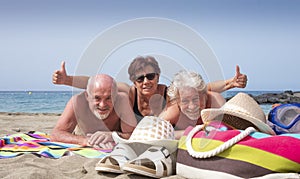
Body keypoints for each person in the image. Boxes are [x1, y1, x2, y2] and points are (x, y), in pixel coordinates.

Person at [52, 56, 247, 122]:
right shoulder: (128, 92)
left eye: (150, 76)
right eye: (140, 77)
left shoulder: (168, 92)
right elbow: (96, 82)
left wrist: (231, 83)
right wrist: (67, 80)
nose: (146, 81)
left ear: (158, 76)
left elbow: (203, 89)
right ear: (133, 80)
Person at [50, 74, 137, 149]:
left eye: (108, 98)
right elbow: (56, 134)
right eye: (97, 98)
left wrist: (113, 135)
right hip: (82, 134)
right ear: (87, 96)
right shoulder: (77, 102)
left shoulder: (122, 100)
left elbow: (133, 135)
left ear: (115, 96)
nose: (102, 105)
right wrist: (84, 141)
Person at [159, 70, 226, 139]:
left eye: (196, 99)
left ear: (205, 95)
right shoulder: (173, 111)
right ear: (177, 101)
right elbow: (154, 131)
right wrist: (189, 132)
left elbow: (228, 129)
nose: (192, 107)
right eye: (185, 101)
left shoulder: (216, 103)